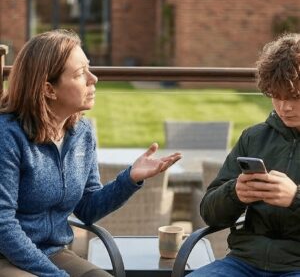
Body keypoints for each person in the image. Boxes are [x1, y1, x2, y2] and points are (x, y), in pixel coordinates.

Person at [0, 29, 181, 277]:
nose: (93, 78)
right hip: (7, 255)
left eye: (89, 68)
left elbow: (87, 208)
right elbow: (3, 225)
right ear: (49, 90)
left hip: (52, 252)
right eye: (79, 74)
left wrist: (129, 179)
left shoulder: (81, 132)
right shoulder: (7, 136)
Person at [187, 33, 300, 277]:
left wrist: (295, 197)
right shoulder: (254, 137)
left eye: (295, 97)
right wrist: (235, 193)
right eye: (276, 96)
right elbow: (209, 213)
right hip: (243, 263)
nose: (284, 107)